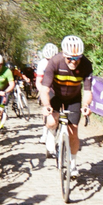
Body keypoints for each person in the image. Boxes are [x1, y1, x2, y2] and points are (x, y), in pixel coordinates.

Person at [40, 36, 92, 178]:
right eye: (69, 58)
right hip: (55, 95)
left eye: (77, 58)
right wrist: (46, 105)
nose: (73, 62)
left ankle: (73, 163)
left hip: (74, 98)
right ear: (63, 54)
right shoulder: (55, 62)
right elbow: (44, 89)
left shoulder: (86, 65)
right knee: (51, 121)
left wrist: (86, 105)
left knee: (73, 133)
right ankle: (51, 133)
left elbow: (87, 91)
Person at [36, 43, 58, 143]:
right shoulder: (42, 64)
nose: (50, 61)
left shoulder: (60, 62)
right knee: (48, 109)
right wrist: (42, 92)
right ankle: (45, 132)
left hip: (58, 87)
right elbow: (38, 81)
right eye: (48, 59)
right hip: (47, 87)